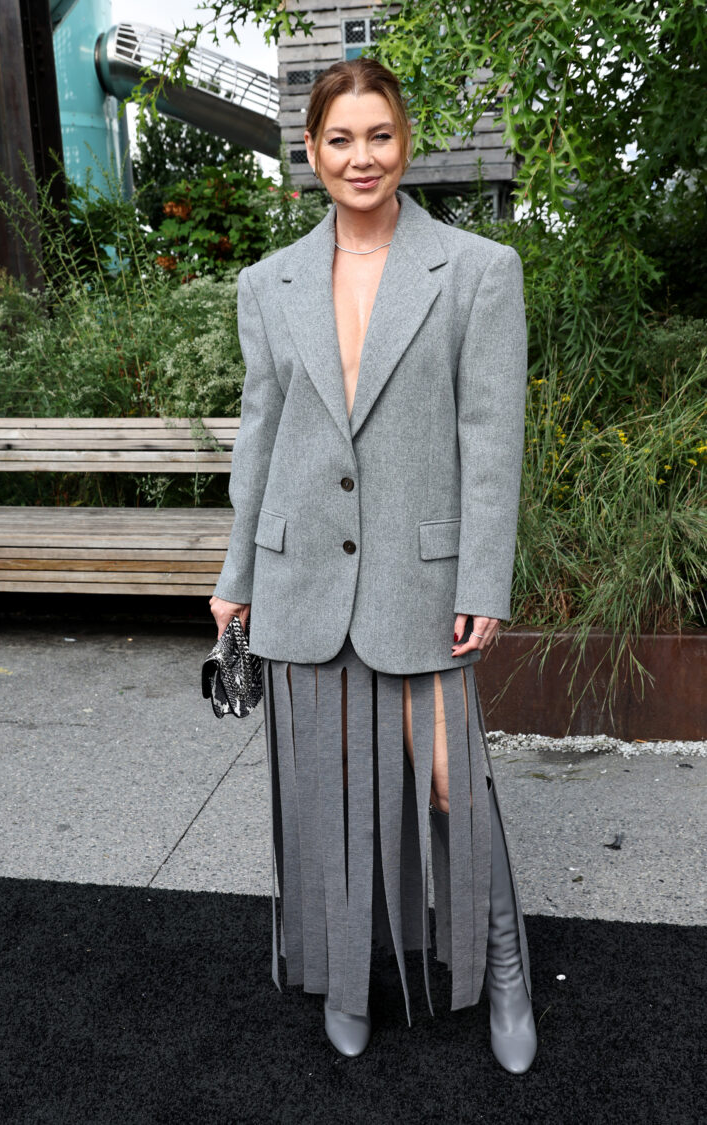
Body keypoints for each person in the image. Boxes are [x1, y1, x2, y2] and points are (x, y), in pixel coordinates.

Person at [209, 56, 537, 1074]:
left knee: (448, 784)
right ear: (310, 154)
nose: (362, 158)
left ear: (406, 141)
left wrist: (484, 580)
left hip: (422, 578)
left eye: (380, 136)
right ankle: (348, 985)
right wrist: (234, 581)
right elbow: (260, 443)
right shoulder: (267, 286)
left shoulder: (478, 271)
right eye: (340, 140)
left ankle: (505, 968)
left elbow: (492, 440)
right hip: (300, 575)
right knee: (337, 796)